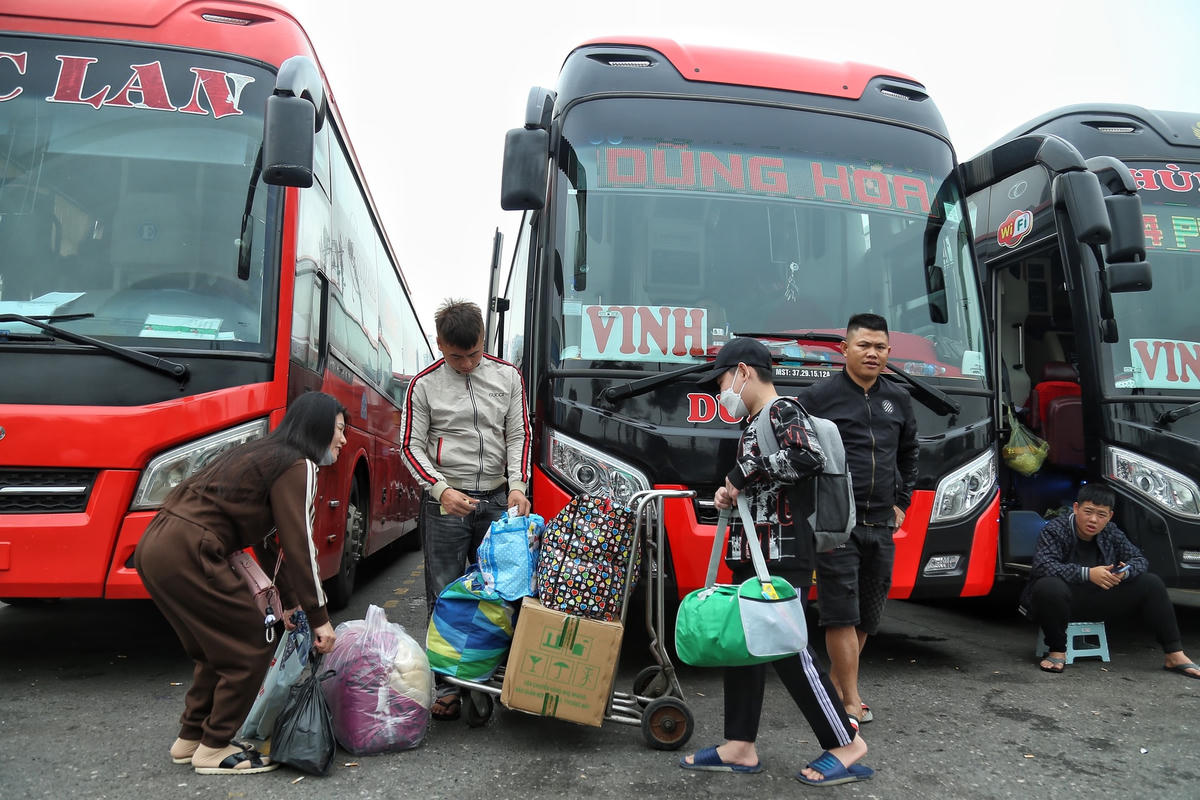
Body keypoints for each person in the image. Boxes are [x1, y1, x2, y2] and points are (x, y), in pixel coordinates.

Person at [679, 337, 873, 787]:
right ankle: (739, 745)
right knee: (744, 644)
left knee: (788, 649)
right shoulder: (755, 421)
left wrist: (739, 476)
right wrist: (733, 489)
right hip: (758, 552)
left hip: (782, 552)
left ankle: (846, 741)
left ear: (743, 372)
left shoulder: (782, 409)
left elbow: (808, 456)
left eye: (722, 380)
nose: (718, 391)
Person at [134, 391, 345, 775]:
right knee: (250, 640)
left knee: (214, 647)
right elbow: (299, 545)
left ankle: (192, 738)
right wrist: (320, 617)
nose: (343, 440)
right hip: (192, 548)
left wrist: (292, 602)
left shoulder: (263, 452)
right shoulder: (300, 464)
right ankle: (215, 748)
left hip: (158, 544)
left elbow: (270, 543)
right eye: (339, 429)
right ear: (318, 428)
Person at [401, 299, 531, 721]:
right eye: (456, 356)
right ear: (439, 345)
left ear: (483, 341)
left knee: (504, 590)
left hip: (497, 500)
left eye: (474, 353)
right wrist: (440, 490)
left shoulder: (507, 376)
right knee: (444, 592)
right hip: (447, 504)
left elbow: (518, 435)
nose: (468, 363)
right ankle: (448, 687)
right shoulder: (423, 386)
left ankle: (496, 677)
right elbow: (410, 446)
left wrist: (518, 487)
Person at [797, 312, 918, 724]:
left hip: (883, 522)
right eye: (864, 345)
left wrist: (903, 502)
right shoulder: (818, 397)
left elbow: (909, 453)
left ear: (889, 352)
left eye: (880, 347)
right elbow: (794, 450)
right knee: (840, 612)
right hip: (837, 525)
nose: (872, 353)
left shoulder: (897, 398)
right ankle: (849, 697)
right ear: (845, 349)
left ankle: (836, 682)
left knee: (868, 614)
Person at [1021, 484, 1200, 678]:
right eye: (1088, 512)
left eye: (1101, 515)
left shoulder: (1111, 532)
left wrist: (1124, 572)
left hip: (1096, 599)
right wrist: (1088, 573)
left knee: (1152, 583)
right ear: (1076, 508)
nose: (1093, 520)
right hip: (1057, 603)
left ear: (1110, 516)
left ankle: (1174, 654)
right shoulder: (1056, 529)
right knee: (1048, 586)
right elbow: (1043, 566)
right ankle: (1057, 650)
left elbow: (1140, 560)